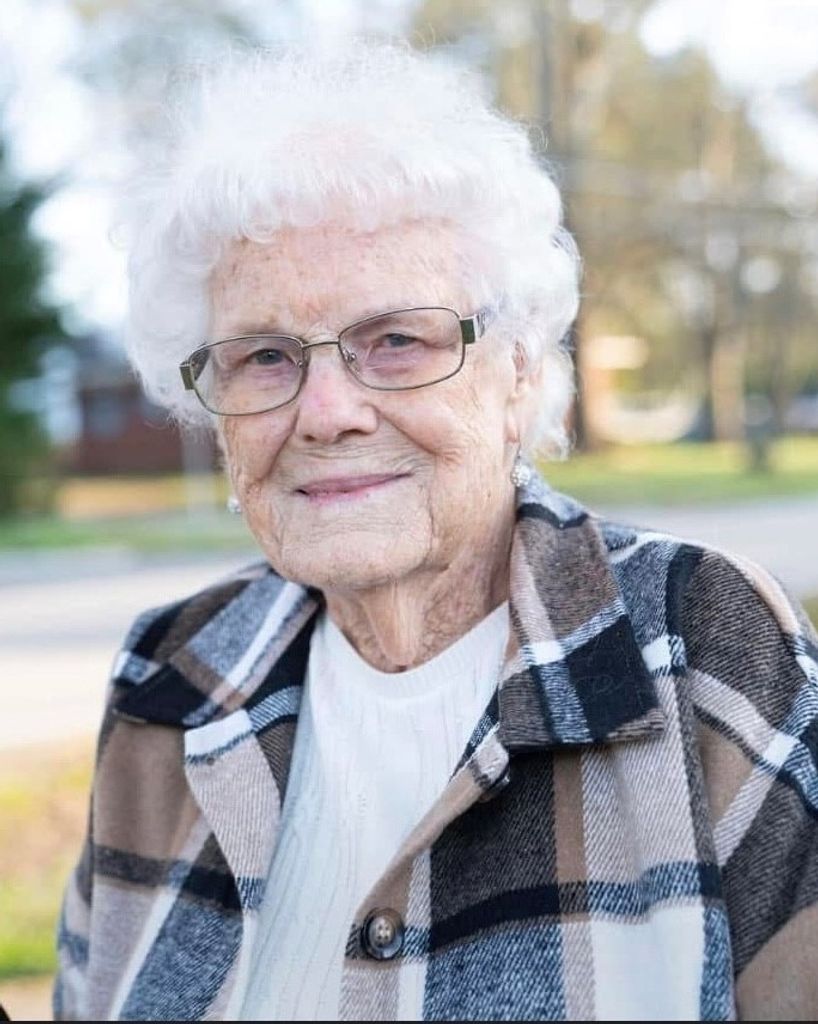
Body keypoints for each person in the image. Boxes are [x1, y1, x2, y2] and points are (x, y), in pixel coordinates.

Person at [54, 42, 818, 1022]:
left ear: (519, 371)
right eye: (265, 356)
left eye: (396, 340)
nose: (326, 412)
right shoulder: (171, 676)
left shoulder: (704, 645)